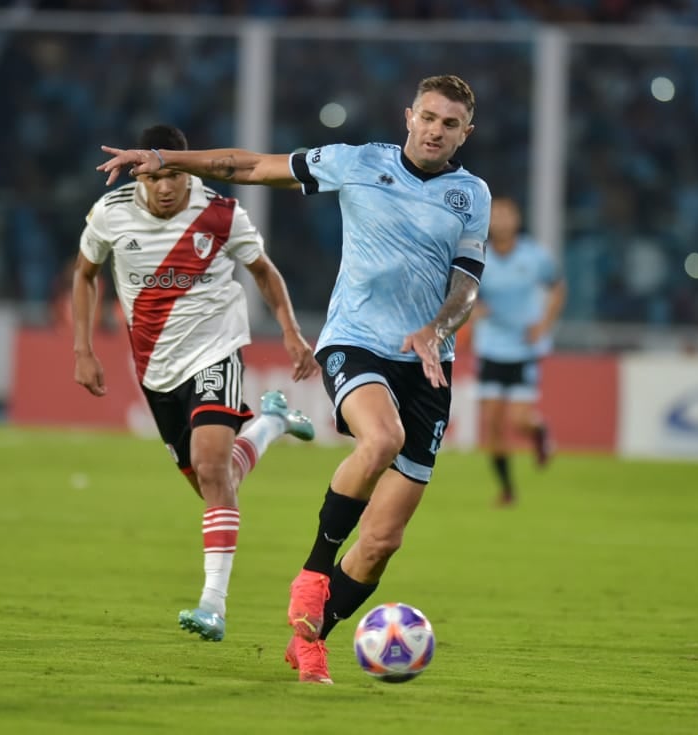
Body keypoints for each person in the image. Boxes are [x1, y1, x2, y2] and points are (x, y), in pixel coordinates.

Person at [97, 74, 492, 684]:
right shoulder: (356, 163)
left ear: (466, 133)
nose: (436, 130)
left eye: (450, 124)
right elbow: (249, 166)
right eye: (429, 117)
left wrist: (438, 329)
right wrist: (166, 158)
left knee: (384, 538)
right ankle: (313, 572)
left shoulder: (473, 196)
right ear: (408, 116)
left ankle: (311, 639)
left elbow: (467, 284)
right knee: (379, 440)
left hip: (429, 365)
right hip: (356, 343)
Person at [74, 124, 319, 643]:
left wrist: (293, 333)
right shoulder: (110, 214)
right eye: (156, 177)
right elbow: (84, 274)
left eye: (175, 176)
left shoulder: (221, 214)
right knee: (216, 481)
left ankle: (213, 605)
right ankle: (272, 422)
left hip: (216, 352)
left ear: (187, 169)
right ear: (142, 173)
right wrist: (83, 348)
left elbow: (263, 271)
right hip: (155, 372)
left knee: (212, 469)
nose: (166, 188)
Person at [470, 196, 566, 506]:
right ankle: (507, 490)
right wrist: (474, 308)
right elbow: (464, 292)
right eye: (495, 215)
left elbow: (558, 288)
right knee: (493, 424)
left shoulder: (534, 256)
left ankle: (539, 432)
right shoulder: (478, 254)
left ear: (517, 219)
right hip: (490, 347)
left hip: (524, 348)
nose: (500, 220)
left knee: (519, 421)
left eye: (506, 214)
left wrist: (544, 324)